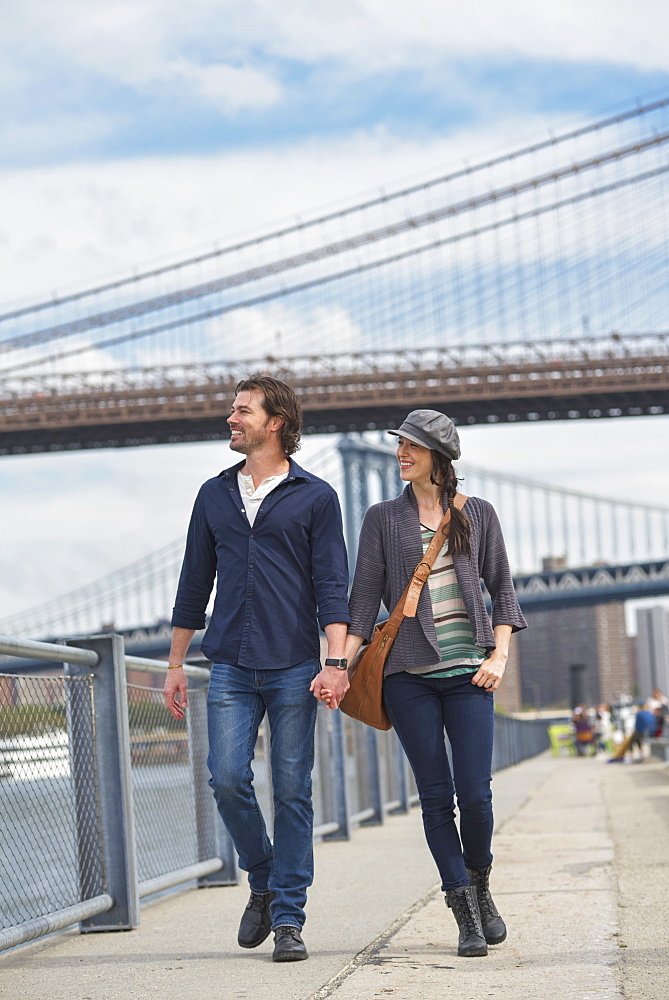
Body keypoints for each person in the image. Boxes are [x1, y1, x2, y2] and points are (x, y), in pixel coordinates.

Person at [163, 375, 351, 963]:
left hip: (296, 663)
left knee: (293, 791)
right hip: (230, 665)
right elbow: (195, 582)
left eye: (242, 410)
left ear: (276, 423)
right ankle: (264, 877)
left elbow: (332, 586)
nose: (230, 418)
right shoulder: (212, 494)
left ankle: (289, 918)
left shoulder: (316, 496)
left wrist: (337, 661)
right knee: (226, 777)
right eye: (232, 410)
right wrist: (174, 663)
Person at [334, 409, 527, 959]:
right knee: (437, 799)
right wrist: (340, 666)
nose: (400, 454)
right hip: (406, 677)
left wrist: (500, 656)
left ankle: (482, 885)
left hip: (471, 674)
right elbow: (363, 599)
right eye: (398, 445)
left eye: (411, 447)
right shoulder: (380, 519)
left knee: (477, 796)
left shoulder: (478, 515)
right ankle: (463, 910)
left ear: (438, 456)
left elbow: (504, 592)